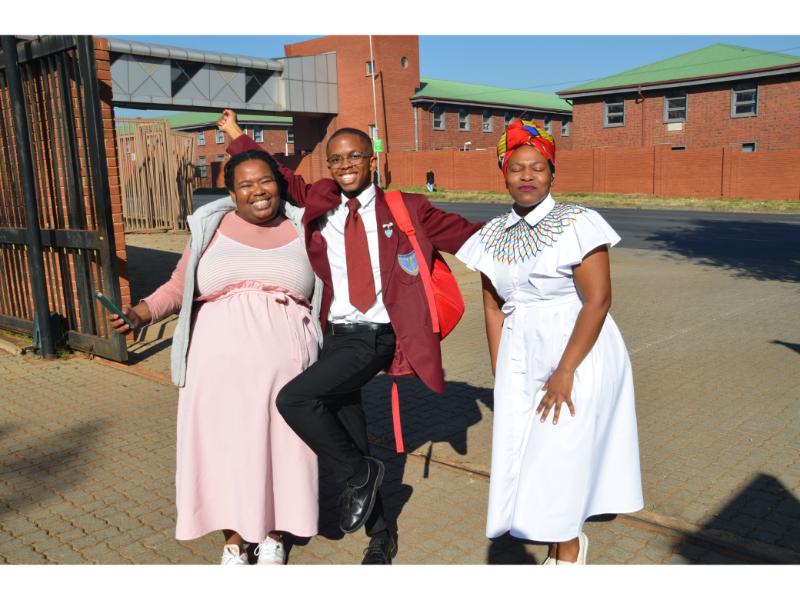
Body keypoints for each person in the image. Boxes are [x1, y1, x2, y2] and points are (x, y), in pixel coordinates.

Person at [217, 109, 481, 564]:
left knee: (294, 399)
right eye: (336, 159)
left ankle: (360, 473)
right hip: (335, 337)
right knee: (352, 435)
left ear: (371, 159)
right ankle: (381, 535)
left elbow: (468, 235)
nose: (345, 166)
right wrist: (237, 134)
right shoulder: (322, 200)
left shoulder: (406, 208)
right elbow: (280, 175)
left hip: (376, 337)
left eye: (354, 156)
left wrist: (531, 244)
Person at [108, 149, 323, 565]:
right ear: (232, 193)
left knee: (283, 449)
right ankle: (234, 541)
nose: (258, 191)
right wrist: (141, 313)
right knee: (226, 451)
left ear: (279, 184)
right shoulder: (210, 228)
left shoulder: (303, 227)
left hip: (287, 371)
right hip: (217, 370)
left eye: (265, 181)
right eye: (246, 184)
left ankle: (274, 535)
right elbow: (177, 287)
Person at [456, 119, 643, 564]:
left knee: (559, 451)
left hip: (577, 348)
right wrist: (502, 371)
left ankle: (568, 550)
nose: (527, 176)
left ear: (552, 173)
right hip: (520, 352)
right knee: (529, 453)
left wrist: (565, 371)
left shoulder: (579, 222)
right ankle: (557, 543)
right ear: (503, 174)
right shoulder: (492, 235)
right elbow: (492, 308)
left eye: (537, 168)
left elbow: (598, 300)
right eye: (516, 168)